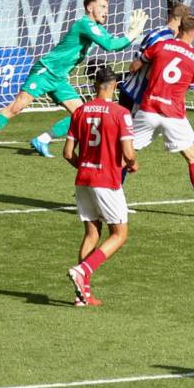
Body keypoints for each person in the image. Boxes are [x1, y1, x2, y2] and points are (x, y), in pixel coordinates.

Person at [0, 0, 148, 160]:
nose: (106, 12)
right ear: (90, 8)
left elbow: (114, 44)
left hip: (60, 79)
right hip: (45, 71)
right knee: (16, 107)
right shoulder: (85, 24)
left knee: (82, 115)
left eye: (107, 8)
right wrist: (132, 33)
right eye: (102, 7)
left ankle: (42, 140)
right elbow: (110, 45)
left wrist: (132, 34)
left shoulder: (95, 28)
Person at [64, 66, 139, 307]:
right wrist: (133, 164)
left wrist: (85, 167)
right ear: (114, 85)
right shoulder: (120, 113)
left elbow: (67, 153)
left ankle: (82, 296)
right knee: (119, 234)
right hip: (106, 180)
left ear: (95, 85)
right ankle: (83, 270)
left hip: (83, 179)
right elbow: (128, 152)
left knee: (92, 232)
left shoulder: (80, 111)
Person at [133, 15, 194, 219]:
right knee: (193, 158)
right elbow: (186, 84)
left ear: (178, 28)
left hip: (149, 109)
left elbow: (136, 66)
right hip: (174, 115)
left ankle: (106, 197)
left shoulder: (161, 46)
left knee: (123, 154)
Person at [119, 2, 191, 114]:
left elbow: (134, 66)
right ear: (183, 23)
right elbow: (146, 71)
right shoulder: (168, 42)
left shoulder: (157, 31)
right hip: (138, 97)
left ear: (168, 17)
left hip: (128, 89)